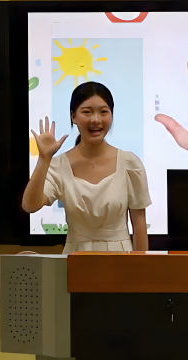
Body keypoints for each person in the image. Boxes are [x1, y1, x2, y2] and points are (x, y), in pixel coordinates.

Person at [22, 82, 151, 253]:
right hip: (76, 257)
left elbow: (139, 225)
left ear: (112, 116)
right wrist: (44, 159)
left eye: (103, 112)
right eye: (87, 112)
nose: (95, 120)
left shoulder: (129, 163)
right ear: (73, 116)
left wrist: (140, 267)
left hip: (120, 258)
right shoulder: (59, 165)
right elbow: (30, 205)